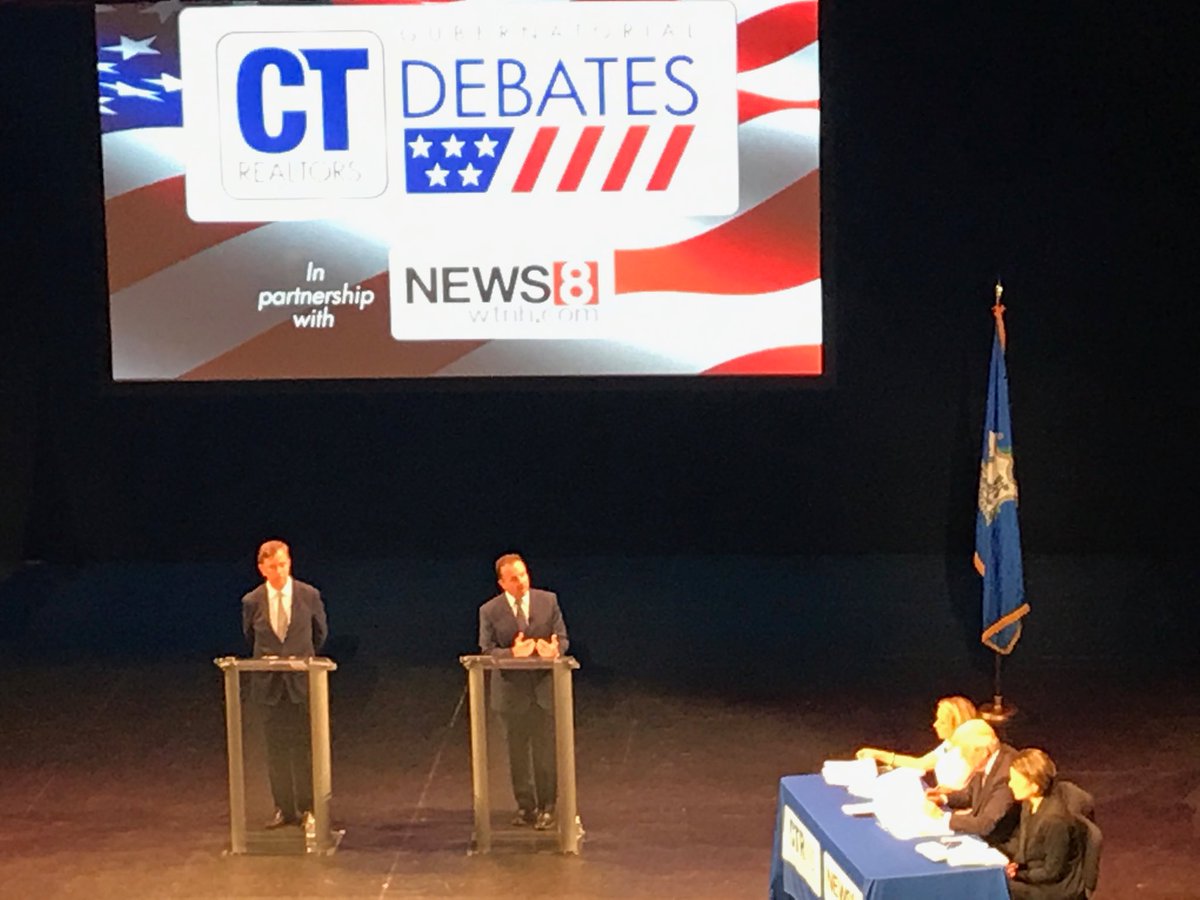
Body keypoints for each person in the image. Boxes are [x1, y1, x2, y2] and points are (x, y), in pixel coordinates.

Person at [478, 553, 569, 831]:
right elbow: (486, 649)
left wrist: (554, 650)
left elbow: (562, 639)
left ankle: (548, 807)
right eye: (514, 578)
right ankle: (526, 806)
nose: (521, 582)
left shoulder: (548, 601)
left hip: (542, 691)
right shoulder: (489, 611)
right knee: (517, 754)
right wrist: (511, 653)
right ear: (502, 583)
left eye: (524, 575)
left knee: (544, 753)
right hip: (511, 695)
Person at [242, 539, 328, 829]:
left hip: (301, 684)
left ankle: (308, 808)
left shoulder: (308, 595)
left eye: (282, 564)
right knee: (275, 748)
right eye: (272, 566)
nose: (278, 571)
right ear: (262, 569)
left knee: (304, 747)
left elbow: (319, 634)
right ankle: (284, 808)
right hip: (269, 688)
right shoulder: (252, 601)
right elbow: (250, 638)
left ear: (289, 563)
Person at [1001, 748, 1088, 900]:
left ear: (1034, 785)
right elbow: (1026, 844)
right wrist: (1016, 864)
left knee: (998, 888)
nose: (1010, 784)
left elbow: (1052, 871)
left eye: (1015, 780)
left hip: (1054, 890)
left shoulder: (1054, 820)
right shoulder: (1029, 805)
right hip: (1034, 876)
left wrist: (1020, 875)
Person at [924, 718, 1021, 846]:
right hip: (980, 835)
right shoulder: (985, 761)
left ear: (982, 752)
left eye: (964, 751)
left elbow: (985, 824)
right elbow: (970, 794)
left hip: (999, 846)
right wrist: (942, 798)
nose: (962, 757)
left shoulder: (1005, 775)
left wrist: (943, 818)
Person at [856, 695, 978, 786]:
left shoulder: (967, 755)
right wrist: (878, 754)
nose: (935, 725)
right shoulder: (949, 744)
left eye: (942, 722)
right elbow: (921, 764)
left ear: (956, 724)